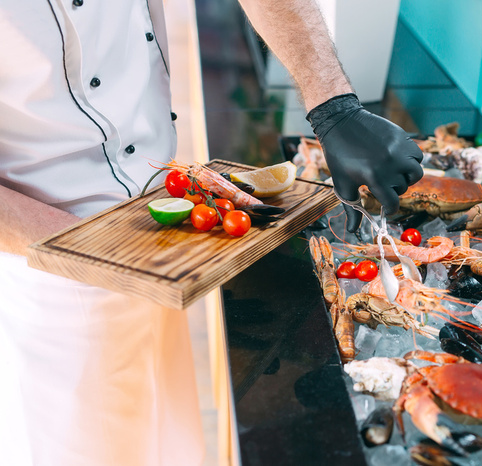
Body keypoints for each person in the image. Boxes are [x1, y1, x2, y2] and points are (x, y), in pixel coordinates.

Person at [0, 1, 423, 465]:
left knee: (168, 439)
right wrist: (97, 249)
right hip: (47, 269)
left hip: (161, 222)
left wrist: (334, 107)